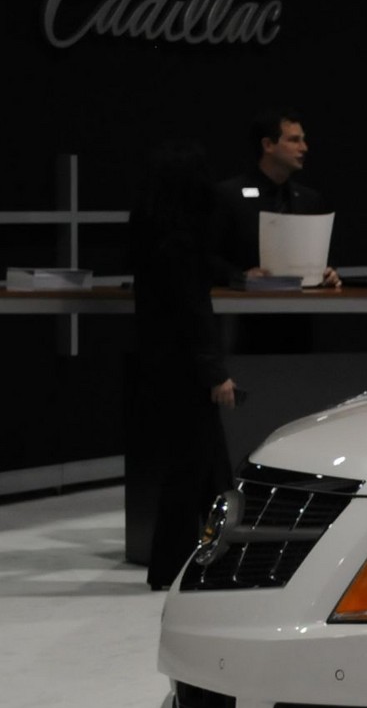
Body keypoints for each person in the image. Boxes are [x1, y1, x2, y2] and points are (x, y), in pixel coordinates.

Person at [132, 143, 237, 590]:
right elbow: (195, 313)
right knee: (195, 470)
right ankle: (180, 565)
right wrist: (215, 373)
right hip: (189, 370)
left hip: (163, 364)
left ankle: (212, 558)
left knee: (208, 468)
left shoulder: (153, 234)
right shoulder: (182, 245)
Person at [210, 108, 338, 288]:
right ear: (268, 145)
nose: (304, 148)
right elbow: (207, 257)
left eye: (303, 139)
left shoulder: (309, 199)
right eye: (294, 140)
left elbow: (324, 257)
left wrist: (329, 272)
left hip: (303, 309)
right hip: (246, 308)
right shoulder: (229, 195)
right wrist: (240, 277)